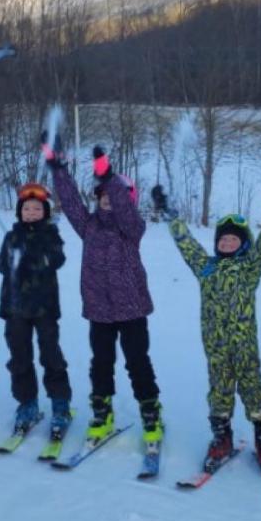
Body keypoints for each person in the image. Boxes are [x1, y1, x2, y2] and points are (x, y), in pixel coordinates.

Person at [155, 186, 261, 474]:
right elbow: (187, 245)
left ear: (243, 244)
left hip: (245, 349)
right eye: (223, 239)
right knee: (219, 392)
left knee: (253, 390)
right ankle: (222, 438)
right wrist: (172, 217)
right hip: (215, 348)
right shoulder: (206, 268)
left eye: (233, 239)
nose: (227, 242)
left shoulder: (248, 269)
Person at [44, 140, 162, 449]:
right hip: (99, 309)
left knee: (137, 362)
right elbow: (71, 203)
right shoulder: (89, 226)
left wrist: (109, 178)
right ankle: (102, 413)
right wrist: (59, 170)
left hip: (132, 309)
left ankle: (151, 412)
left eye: (114, 195)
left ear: (127, 199)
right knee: (101, 363)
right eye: (103, 195)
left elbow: (124, 209)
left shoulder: (133, 228)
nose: (108, 199)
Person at [0, 182, 72, 440]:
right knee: (19, 356)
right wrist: (10, 257)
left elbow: (57, 259)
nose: (31, 213)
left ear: (45, 212)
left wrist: (35, 256)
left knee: (51, 355)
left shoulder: (50, 235)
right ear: (20, 211)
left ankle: (60, 403)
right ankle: (27, 402)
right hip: (15, 307)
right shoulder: (12, 236)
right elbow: (0, 264)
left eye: (37, 209)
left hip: (44, 308)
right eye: (27, 209)